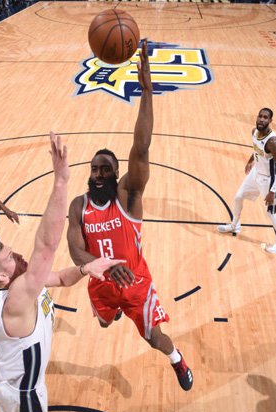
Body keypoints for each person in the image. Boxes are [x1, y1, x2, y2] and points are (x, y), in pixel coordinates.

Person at [0, 133, 123, 412]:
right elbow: (46, 246)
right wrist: (60, 182)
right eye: (10, 258)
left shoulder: (21, 286)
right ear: (2, 278)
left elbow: (62, 277)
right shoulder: (17, 297)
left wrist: (85, 268)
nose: (18, 255)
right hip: (24, 392)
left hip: (9, 370)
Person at [66, 40, 194, 392]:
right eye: (94, 169)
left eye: (105, 169)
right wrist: (104, 267)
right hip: (101, 283)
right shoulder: (79, 205)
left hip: (136, 283)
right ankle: (113, 312)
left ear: (117, 173)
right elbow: (76, 251)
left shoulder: (128, 195)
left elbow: (142, 146)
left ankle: (177, 359)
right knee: (105, 323)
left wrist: (147, 92)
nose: (98, 175)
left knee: (154, 338)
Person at [218, 108, 276, 254]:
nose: (262, 119)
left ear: (270, 121)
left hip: (269, 180)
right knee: (238, 197)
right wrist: (250, 161)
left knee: (271, 212)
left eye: (265, 117)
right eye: (260, 116)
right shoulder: (254, 132)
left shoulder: (273, 141)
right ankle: (235, 225)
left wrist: (272, 191)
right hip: (256, 172)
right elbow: (257, 149)